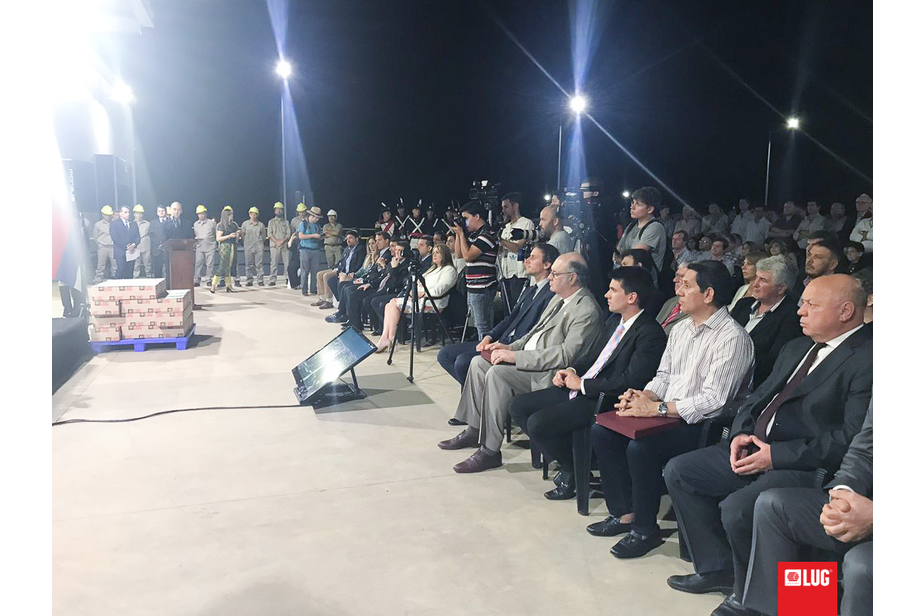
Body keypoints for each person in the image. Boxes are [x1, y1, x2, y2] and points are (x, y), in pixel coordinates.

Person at [663, 274, 872, 613]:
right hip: (753, 446)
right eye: (802, 303)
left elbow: (851, 438)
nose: (800, 311)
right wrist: (741, 432)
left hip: (803, 463)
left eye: (811, 304)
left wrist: (776, 455)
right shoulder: (797, 346)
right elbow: (757, 398)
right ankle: (719, 568)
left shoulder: (865, 357)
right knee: (681, 471)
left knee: (739, 508)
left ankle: (754, 597)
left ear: (845, 311)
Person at [590, 261, 754, 559]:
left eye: (687, 285)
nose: (678, 290)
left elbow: (714, 401)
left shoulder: (733, 338)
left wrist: (656, 408)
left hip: (702, 425)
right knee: (603, 430)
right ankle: (623, 513)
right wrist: (643, 396)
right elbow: (664, 376)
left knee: (641, 448)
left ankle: (645, 529)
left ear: (708, 294)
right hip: (665, 413)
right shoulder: (680, 329)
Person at [508, 266, 667, 500]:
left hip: (604, 398)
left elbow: (630, 381)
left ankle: (573, 468)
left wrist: (583, 385)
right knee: (518, 406)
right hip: (583, 388)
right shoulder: (614, 321)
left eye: (613, 290)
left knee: (538, 423)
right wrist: (570, 371)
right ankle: (571, 464)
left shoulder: (649, 333)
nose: (606, 295)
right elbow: (590, 356)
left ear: (631, 297)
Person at [439, 253, 604, 474]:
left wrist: (516, 357)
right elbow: (533, 333)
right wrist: (510, 347)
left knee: (497, 374)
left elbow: (565, 355)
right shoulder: (558, 299)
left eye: (555, 274)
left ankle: (490, 451)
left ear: (572, 278)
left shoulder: (586, 310)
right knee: (478, 363)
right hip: (529, 360)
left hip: (548, 373)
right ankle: (474, 429)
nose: (550, 278)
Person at [740, 395, 873, 616]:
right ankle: (806, 609)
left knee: (861, 563)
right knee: (774, 507)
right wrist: (843, 494)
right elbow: (865, 451)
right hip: (862, 502)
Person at [438, 243, 558, 389]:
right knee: (445, 354)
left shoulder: (551, 294)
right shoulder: (530, 290)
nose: (526, 260)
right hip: (501, 339)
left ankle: (477, 392)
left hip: (515, 346)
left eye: (533, 257)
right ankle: (478, 390)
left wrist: (510, 347)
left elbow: (536, 329)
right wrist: (489, 336)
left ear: (547, 264)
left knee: (463, 361)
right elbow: (510, 319)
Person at [730, 256, 802, 389]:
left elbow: (772, 364)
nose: (754, 284)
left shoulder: (792, 317)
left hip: (751, 386)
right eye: (756, 277)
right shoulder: (743, 305)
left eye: (762, 280)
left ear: (781, 288)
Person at [374, 243, 458, 351]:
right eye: (433, 253)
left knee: (393, 304)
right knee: (389, 305)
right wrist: (414, 291)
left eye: (437, 253)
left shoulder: (449, 270)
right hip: (419, 299)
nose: (434, 255)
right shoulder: (432, 269)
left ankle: (390, 339)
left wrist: (422, 293)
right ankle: (386, 337)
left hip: (432, 302)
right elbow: (418, 283)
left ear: (445, 254)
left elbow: (440, 290)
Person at [450, 201, 498, 340]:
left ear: (477, 216)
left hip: (483, 287)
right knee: (477, 323)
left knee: (482, 325)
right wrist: (458, 234)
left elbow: (468, 256)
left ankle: (484, 349)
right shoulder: (474, 236)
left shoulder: (487, 234)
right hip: (473, 287)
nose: (465, 222)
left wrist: (462, 235)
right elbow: (459, 254)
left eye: (466, 218)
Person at [326, 231, 392, 325]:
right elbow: (370, 271)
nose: (377, 243)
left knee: (350, 290)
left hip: (376, 286)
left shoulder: (387, 255)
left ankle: (354, 322)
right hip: (368, 280)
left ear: (387, 241)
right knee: (344, 286)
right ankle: (346, 315)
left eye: (379, 240)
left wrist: (366, 281)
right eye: (376, 240)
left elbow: (382, 274)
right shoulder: (380, 253)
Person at [363, 241, 412, 335]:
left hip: (397, 291)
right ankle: (380, 327)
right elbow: (385, 276)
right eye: (396, 250)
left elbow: (396, 283)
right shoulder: (392, 261)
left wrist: (394, 268)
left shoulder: (407, 265)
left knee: (378, 302)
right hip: (386, 288)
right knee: (367, 300)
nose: (397, 252)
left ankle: (391, 330)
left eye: (400, 250)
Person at [496, 192, 536, 307]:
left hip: (518, 274)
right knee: (506, 308)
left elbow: (519, 247)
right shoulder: (505, 227)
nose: (503, 210)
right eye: (502, 208)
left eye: (506, 207)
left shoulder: (526, 223)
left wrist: (501, 241)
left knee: (516, 307)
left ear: (515, 206)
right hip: (505, 274)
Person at [617, 187, 668, 272]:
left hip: (642, 278)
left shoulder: (655, 227)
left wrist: (621, 259)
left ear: (650, 209)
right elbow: (617, 252)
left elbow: (634, 257)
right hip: (627, 275)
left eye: (638, 204)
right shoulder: (631, 226)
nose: (632, 207)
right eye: (632, 202)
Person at [314, 229, 365, 309]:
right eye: (347, 239)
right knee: (319, 274)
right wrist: (335, 268)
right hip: (340, 269)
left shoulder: (360, 249)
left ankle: (329, 301)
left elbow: (360, 264)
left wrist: (353, 272)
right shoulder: (347, 249)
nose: (348, 240)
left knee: (326, 276)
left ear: (356, 239)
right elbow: (341, 261)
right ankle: (322, 298)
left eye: (350, 238)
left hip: (348, 272)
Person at [655, 263, 692, 335]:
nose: (675, 280)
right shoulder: (671, 302)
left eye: (681, 277)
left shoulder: (696, 310)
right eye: (676, 275)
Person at [211, 206, 240, 293]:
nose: (232, 216)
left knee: (229, 267)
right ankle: (213, 285)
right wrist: (229, 236)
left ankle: (229, 285)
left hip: (233, 246)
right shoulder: (221, 225)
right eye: (230, 215)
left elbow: (237, 236)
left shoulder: (234, 225)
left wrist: (237, 234)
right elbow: (218, 238)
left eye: (232, 214)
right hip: (225, 247)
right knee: (222, 265)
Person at [298, 206, 325, 296]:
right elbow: (301, 236)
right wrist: (313, 235)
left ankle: (313, 289)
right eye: (316, 218)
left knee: (315, 271)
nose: (317, 220)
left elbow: (318, 236)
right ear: (311, 216)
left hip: (316, 250)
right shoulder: (303, 223)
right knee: (304, 271)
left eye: (318, 218)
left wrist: (321, 237)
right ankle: (304, 290)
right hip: (305, 249)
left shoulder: (317, 225)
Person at [109, 205, 141, 279]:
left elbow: (137, 237)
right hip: (120, 251)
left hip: (131, 252)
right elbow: (115, 238)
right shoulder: (114, 224)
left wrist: (134, 245)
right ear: (120, 213)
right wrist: (127, 246)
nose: (128, 214)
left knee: (130, 272)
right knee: (121, 270)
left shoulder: (133, 223)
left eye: (128, 212)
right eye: (125, 212)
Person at [193, 205, 218, 287]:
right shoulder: (195, 224)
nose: (201, 215)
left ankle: (209, 279)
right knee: (198, 263)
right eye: (199, 214)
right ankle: (197, 280)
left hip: (210, 246)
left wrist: (215, 243)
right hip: (199, 247)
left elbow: (216, 233)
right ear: (197, 215)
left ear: (205, 213)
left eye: (202, 213)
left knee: (210, 264)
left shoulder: (212, 223)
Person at [241, 206, 267, 286]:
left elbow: (263, 236)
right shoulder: (245, 224)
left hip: (259, 247)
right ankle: (249, 280)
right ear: (249, 215)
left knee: (259, 265)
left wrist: (260, 243)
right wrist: (246, 243)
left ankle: (260, 280)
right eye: (252, 214)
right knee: (248, 264)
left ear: (257, 215)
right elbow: (243, 235)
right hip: (248, 246)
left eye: (255, 214)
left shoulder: (261, 225)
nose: (253, 216)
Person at [267, 202, 289, 286]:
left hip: (284, 245)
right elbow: (269, 234)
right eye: (277, 209)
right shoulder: (271, 222)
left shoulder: (286, 222)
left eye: (280, 209)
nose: (278, 211)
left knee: (287, 263)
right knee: (273, 263)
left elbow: (288, 234)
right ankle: (273, 279)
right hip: (274, 246)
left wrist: (282, 241)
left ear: (282, 211)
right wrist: (276, 241)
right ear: (274, 211)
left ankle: (287, 278)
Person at [288, 203, 308, 289]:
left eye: (303, 212)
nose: (301, 213)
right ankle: (295, 284)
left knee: (305, 267)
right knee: (291, 267)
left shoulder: (309, 220)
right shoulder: (294, 221)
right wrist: (293, 239)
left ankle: (301, 283)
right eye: (300, 212)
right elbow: (292, 232)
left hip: (306, 244)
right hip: (297, 244)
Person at [93, 205, 115, 282]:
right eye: (106, 215)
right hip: (102, 247)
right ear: (103, 215)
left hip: (113, 247)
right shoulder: (98, 225)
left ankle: (116, 279)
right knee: (101, 265)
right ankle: (98, 279)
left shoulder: (114, 224)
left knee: (115, 265)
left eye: (109, 215)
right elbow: (95, 236)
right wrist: (100, 244)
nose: (108, 216)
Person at [132, 205, 153, 277]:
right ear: (134, 214)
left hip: (146, 247)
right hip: (136, 247)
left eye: (140, 213)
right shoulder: (131, 224)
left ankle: (149, 276)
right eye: (137, 213)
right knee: (136, 265)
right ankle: (135, 277)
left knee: (148, 264)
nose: (139, 215)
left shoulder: (148, 224)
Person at [149, 204, 170, 277]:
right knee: (157, 270)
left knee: (168, 269)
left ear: (166, 212)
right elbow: (151, 235)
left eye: (162, 211)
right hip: (157, 249)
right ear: (157, 213)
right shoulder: (153, 222)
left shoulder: (170, 221)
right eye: (159, 211)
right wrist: (159, 243)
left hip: (168, 249)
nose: (161, 212)